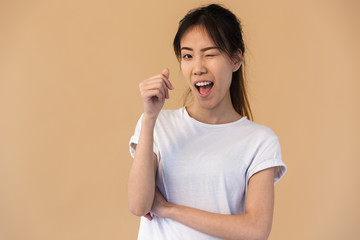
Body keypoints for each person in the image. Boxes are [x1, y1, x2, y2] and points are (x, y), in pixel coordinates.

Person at [128, 4, 286, 240]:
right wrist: (150, 117)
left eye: (210, 54)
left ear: (236, 60)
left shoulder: (260, 141)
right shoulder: (158, 124)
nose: (198, 68)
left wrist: (169, 209)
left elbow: (255, 230)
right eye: (188, 56)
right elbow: (138, 205)